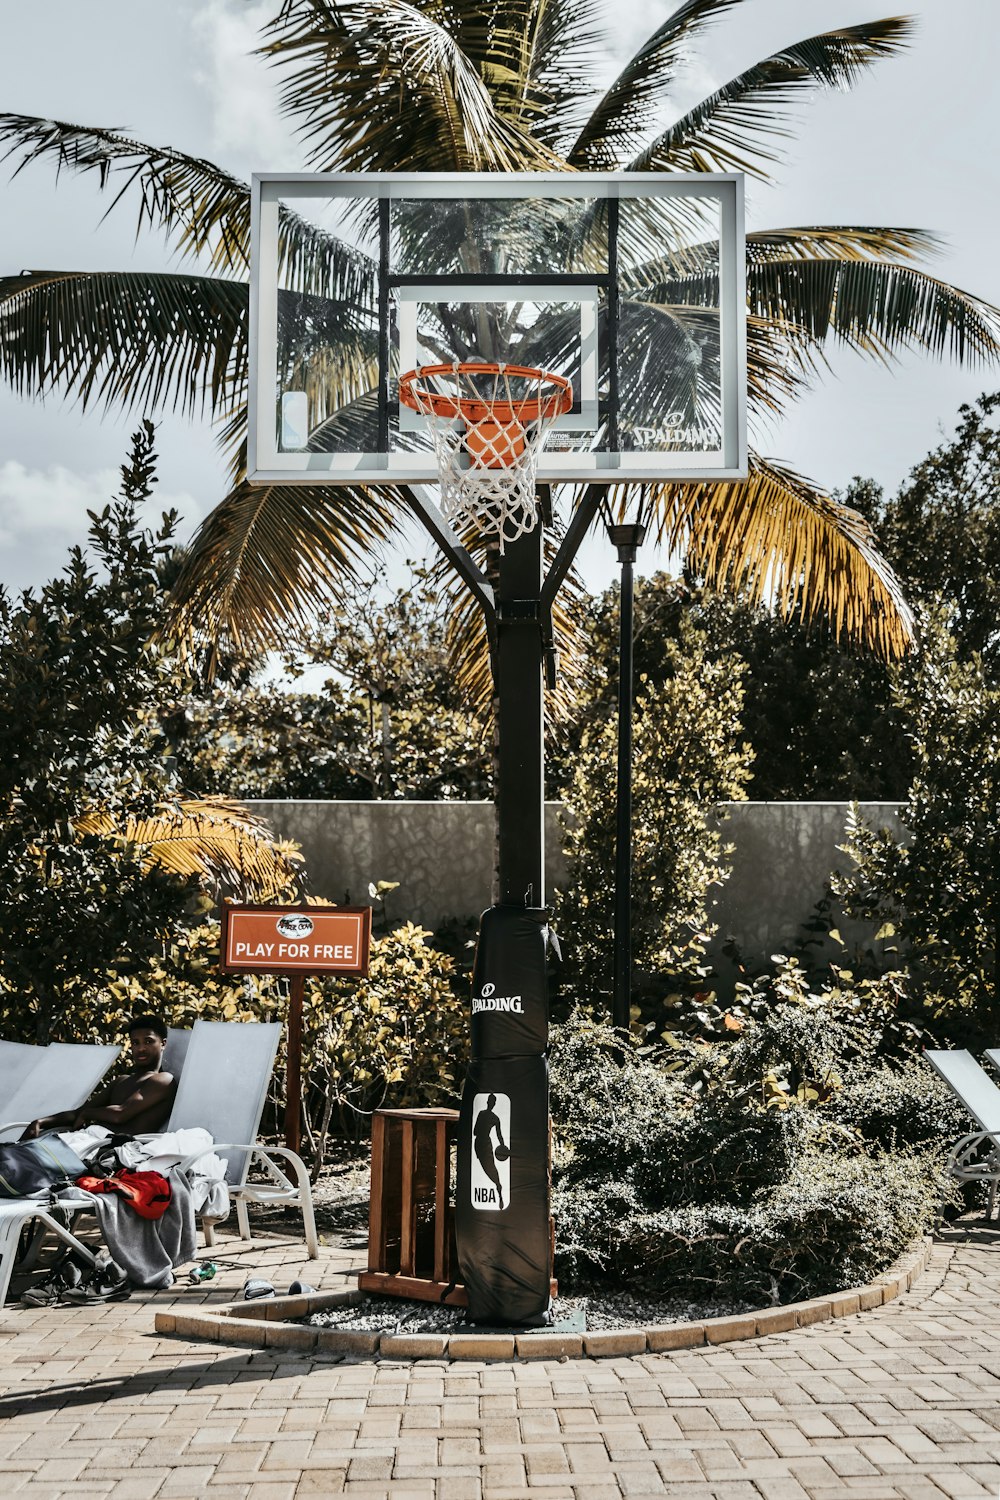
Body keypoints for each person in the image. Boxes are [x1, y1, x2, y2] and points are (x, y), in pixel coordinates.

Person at [19, 1015, 177, 1141]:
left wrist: (88, 1114)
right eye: (135, 1043)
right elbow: (78, 1112)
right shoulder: (121, 1081)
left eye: (148, 1041)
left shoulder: (163, 1080)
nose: (141, 1048)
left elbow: (120, 1114)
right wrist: (40, 1122)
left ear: (162, 1044)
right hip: (86, 1141)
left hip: (111, 1148)